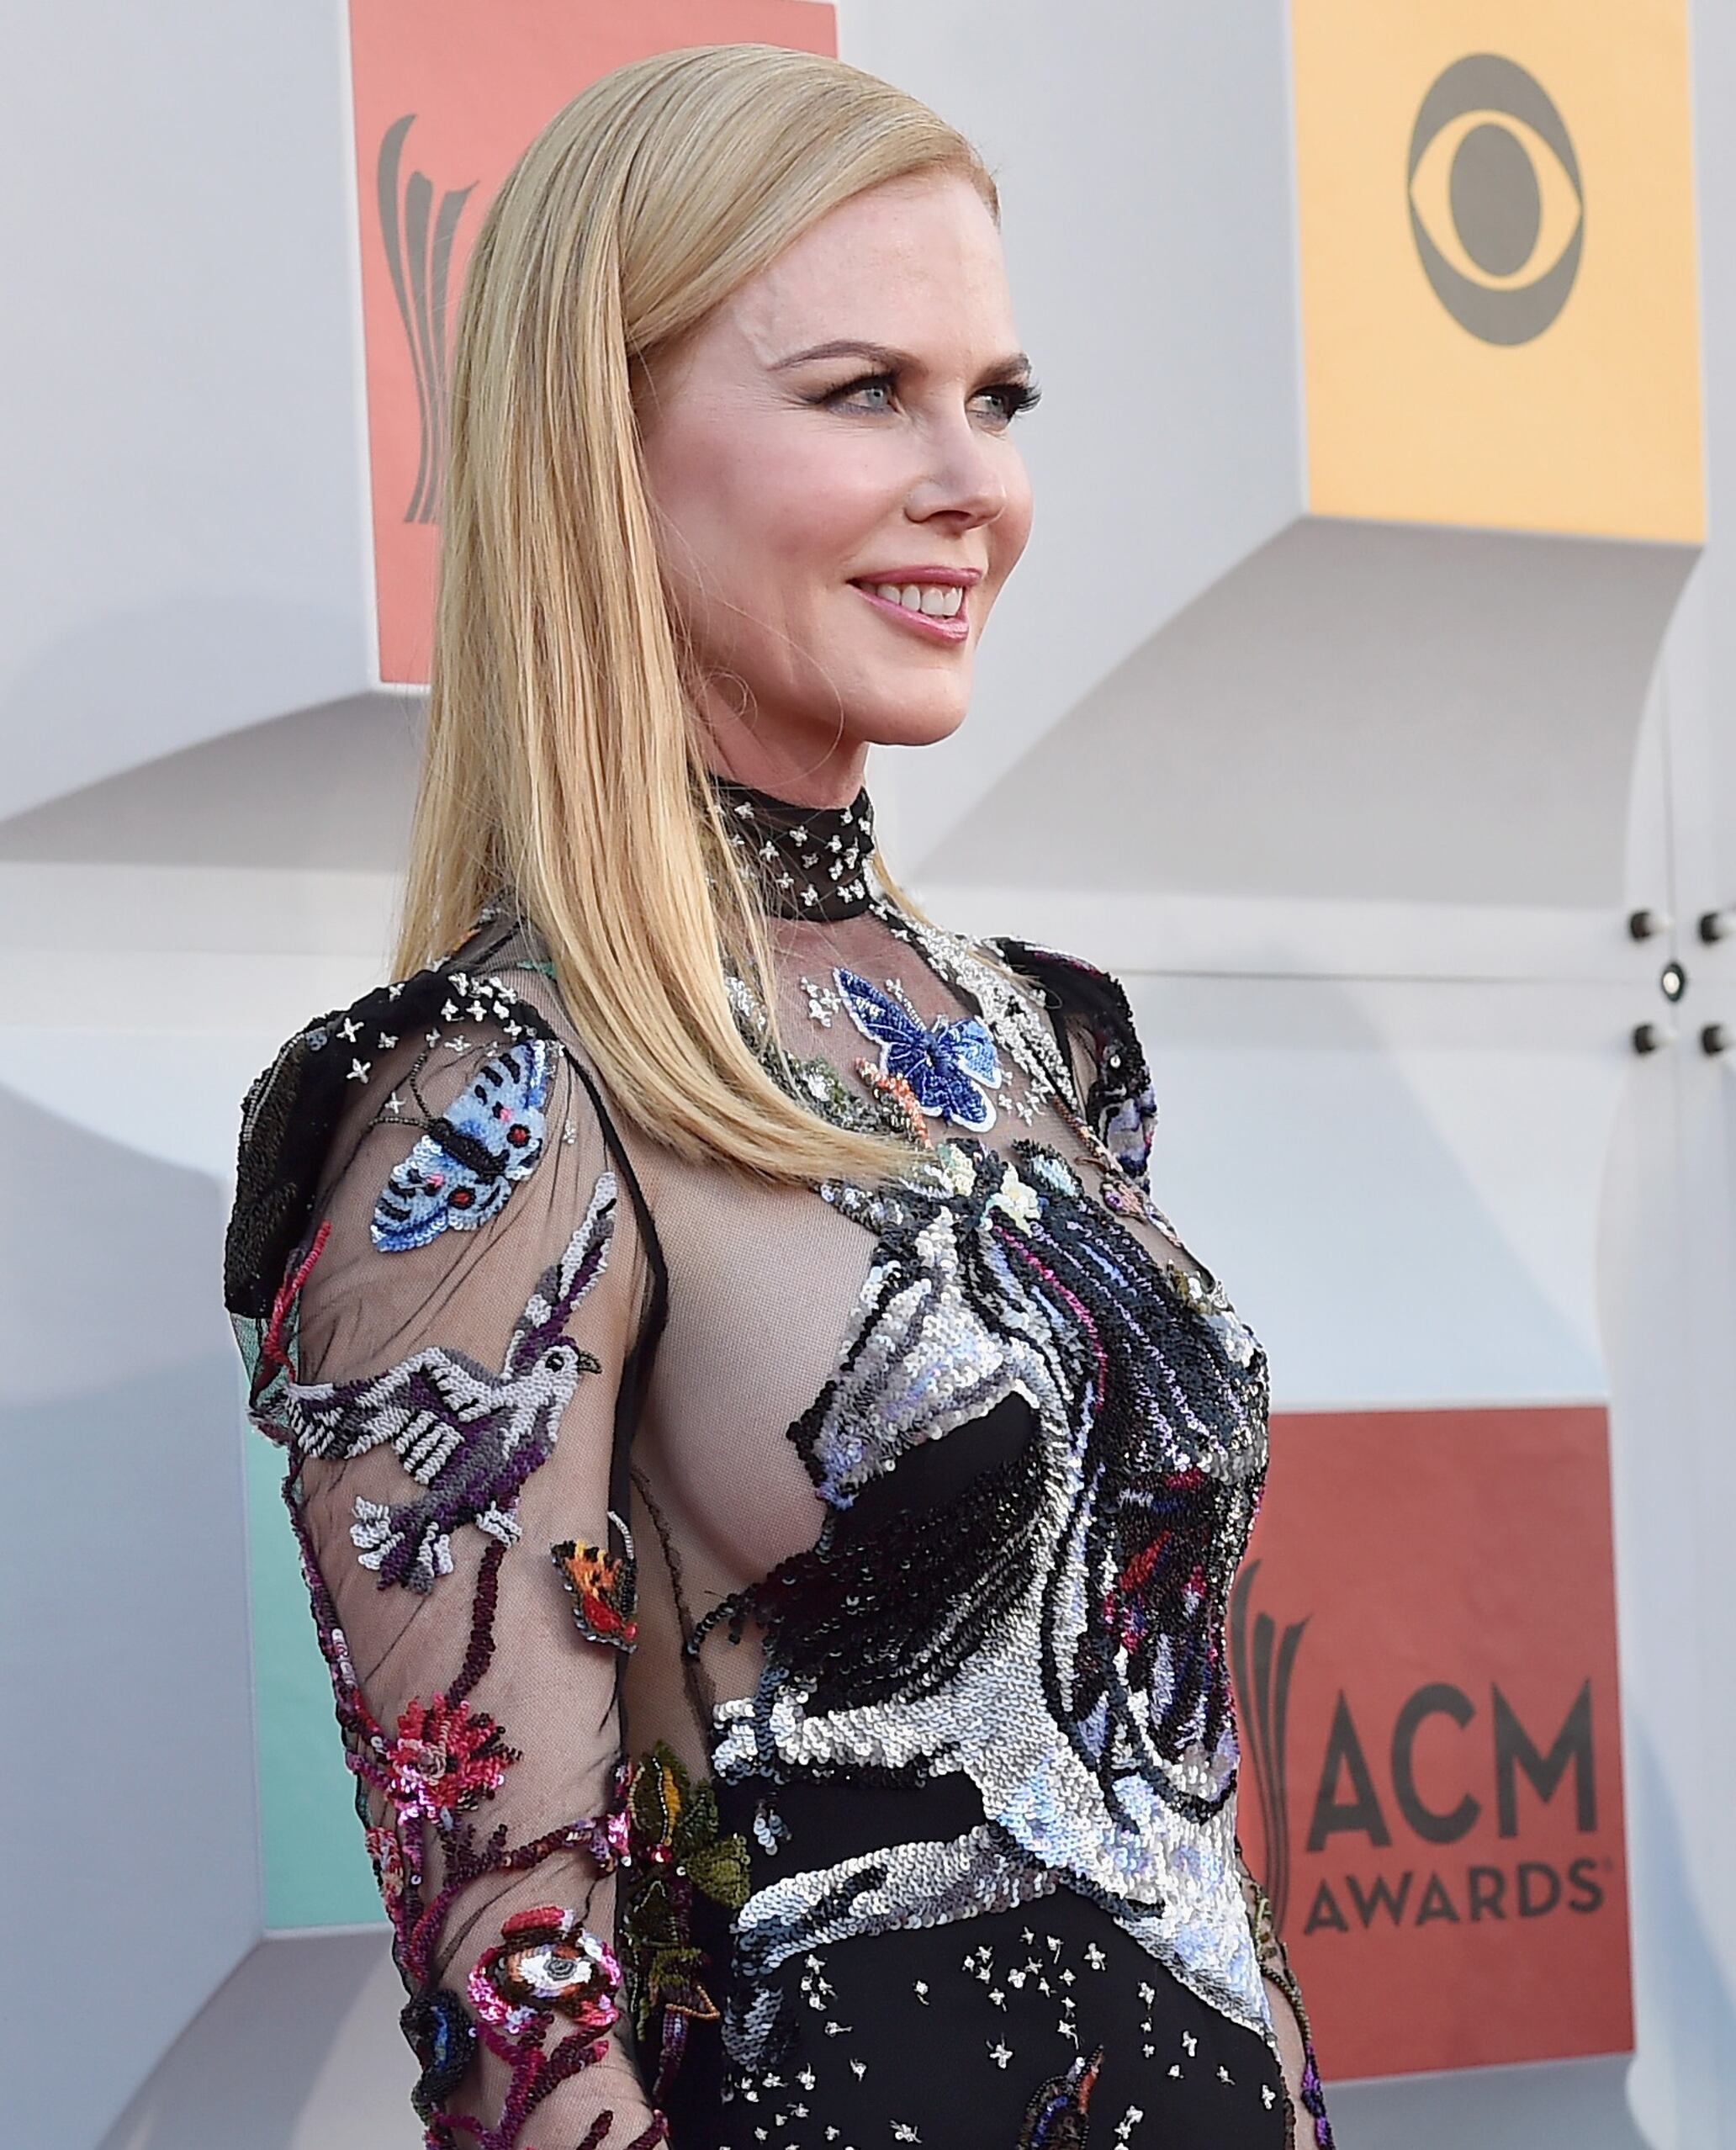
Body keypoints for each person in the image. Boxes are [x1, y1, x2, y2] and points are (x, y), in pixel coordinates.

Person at [222, 48, 1331, 2150]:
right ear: (605, 447)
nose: (972, 482)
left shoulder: (1048, 1042)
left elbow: (1180, 1831)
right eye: (863, 394)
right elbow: (520, 2028)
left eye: (998, 399)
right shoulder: (490, 1106)